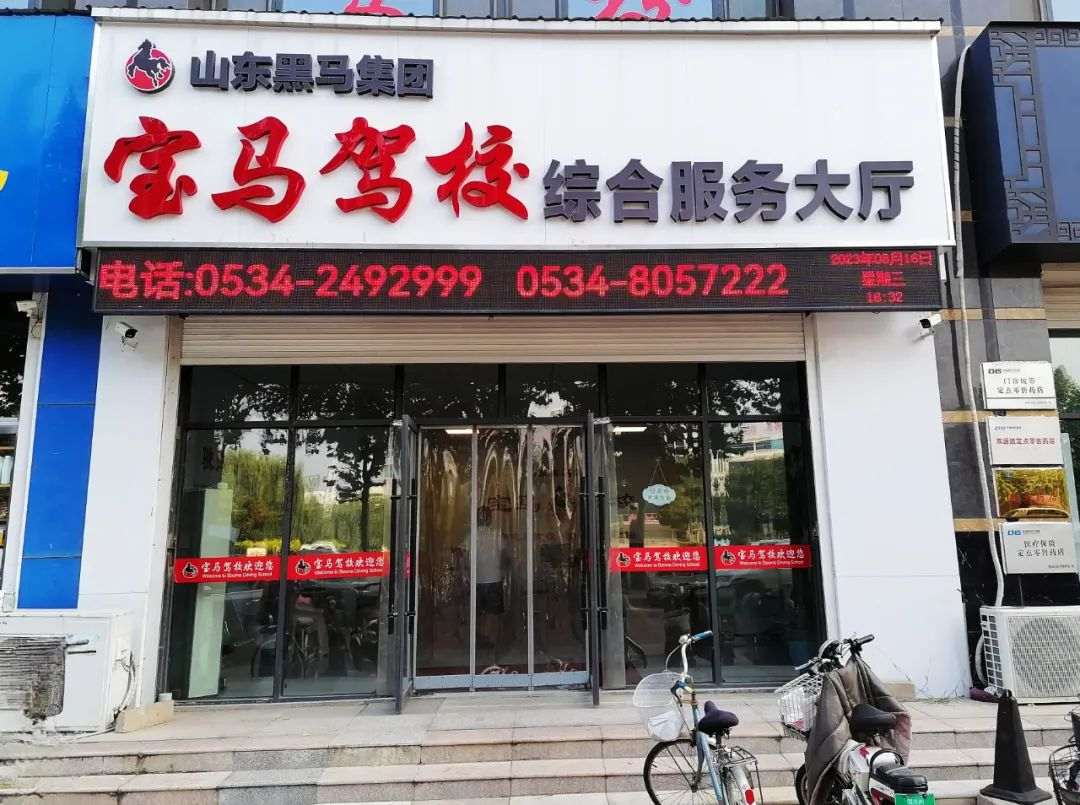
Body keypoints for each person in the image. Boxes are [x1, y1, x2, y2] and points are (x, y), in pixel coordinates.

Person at [474, 506, 507, 652]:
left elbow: (463, 554)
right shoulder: (496, 535)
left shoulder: (472, 535)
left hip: (477, 579)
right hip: (494, 578)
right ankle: (484, 637)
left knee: (479, 611)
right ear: (490, 518)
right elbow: (504, 555)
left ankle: (479, 636)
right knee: (491, 612)